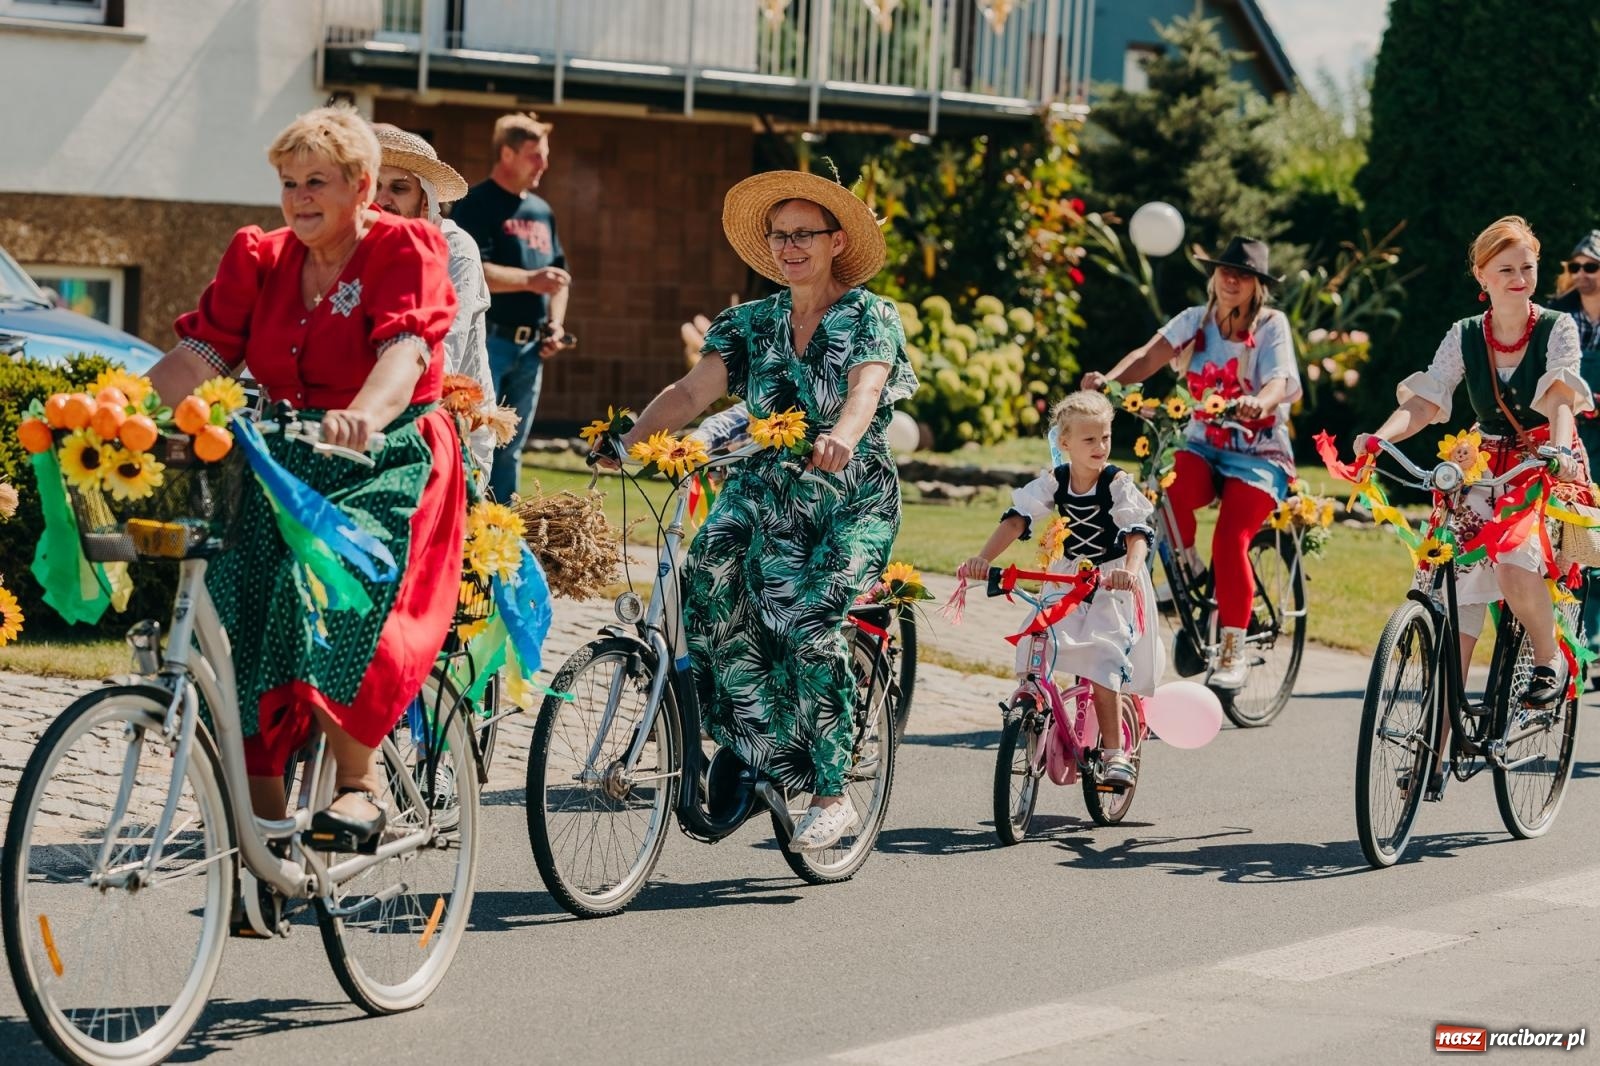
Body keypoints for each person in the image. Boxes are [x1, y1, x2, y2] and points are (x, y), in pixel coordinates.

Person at [147, 104, 465, 856]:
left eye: (317, 181)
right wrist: (115, 409)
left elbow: (405, 351)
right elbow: (201, 358)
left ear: (362, 186)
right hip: (284, 455)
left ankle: (360, 784)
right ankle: (261, 839)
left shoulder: (403, 247)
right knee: (230, 605)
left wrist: (362, 416)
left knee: (323, 582)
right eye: (289, 183)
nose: (299, 198)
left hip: (386, 453)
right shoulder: (262, 257)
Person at [607, 170, 914, 851]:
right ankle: (753, 746)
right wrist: (628, 441)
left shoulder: (870, 316)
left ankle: (831, 794)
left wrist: (843, 434)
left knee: (807, 622)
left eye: (804, 234)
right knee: (706, 576)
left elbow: (865, 390)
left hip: (849, 493)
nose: (789, 247)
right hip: (765, 485)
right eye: (779, 236)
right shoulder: (752, 323)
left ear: (836, 242)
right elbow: (692, 392)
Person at [1359, 215, 1593, 708]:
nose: (1519, 279)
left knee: (1512, 559)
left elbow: (1560, 400)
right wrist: (1379, 438)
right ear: (1481, 276)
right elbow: (1426, 401)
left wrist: (1559, 452)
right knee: (1451, 589)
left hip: (1542, 464)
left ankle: (1548, 657)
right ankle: (1438, 741)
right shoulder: (1465, 334)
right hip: (1483, 467)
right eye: (1505, 269)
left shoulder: (1558, 328)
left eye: (1527, 267)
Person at [1083, 236, 1302, 690]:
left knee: (1231, 538)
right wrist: (1107, 384)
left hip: (1258, 453)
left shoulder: (1271, 325)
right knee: (1167, 487)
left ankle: (1233, 651)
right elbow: (1148, 356)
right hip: (1202, 443)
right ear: (1214, 275)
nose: (1231, 280)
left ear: (1257, 285)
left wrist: (1260, 403)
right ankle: (1193, 568)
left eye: (1243, 275)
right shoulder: (1195, 321)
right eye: (1225, 271)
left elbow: (1279, 381)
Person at [957, 390, 1162, 787]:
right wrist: (983, 558)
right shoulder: (1056, 481)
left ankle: (1115, 753)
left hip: (1110, 579)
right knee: (1037, 640)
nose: (1100, 446)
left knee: (1102, 658)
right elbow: (1017, 520)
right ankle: (1036, 715)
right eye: (1089, 439)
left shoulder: (1116, 483)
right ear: (1065, 442)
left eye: (1105, 437)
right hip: (1069, 577)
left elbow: (1136, 532)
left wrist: (1131, 571)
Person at [450, 112, 571, 501]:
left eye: (545, 155)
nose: (544, 164)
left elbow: (560, 278)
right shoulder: (475, 204)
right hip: (487, 344)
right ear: (507, 153)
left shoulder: (541, 211)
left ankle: (502, 527)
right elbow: (473, 271)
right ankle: (466, 521)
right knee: (473, 436)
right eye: (535, 155)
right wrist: (530, 280)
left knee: (511, 447)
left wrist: (555, 324)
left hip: (531, 349)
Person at [372, 123, 497, 472]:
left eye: (399, 188)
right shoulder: (355, 245)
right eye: (374, 186)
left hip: (452, 428)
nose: (383, 200)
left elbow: (444, 354)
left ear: (425, 199)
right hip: (368, 419)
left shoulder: (456, 250)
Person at [1549, 229, 1600, 656]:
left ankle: (1593, 638)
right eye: (1576, 266)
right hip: (1572, 438)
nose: (1582, 274)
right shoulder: (1558, 316)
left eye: (1592, 267)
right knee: (1573, 532)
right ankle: (1572, 640)